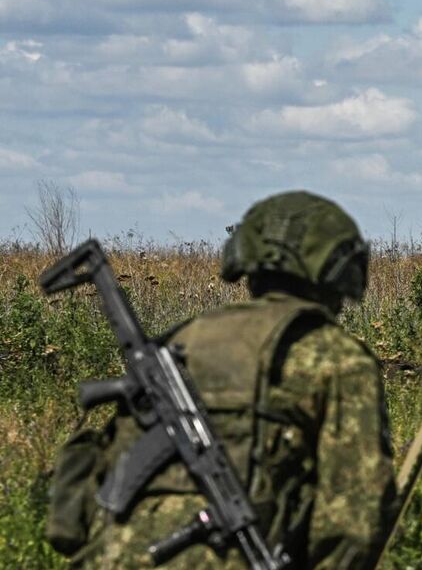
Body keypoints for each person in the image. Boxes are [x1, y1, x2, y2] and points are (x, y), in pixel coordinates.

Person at [49, 192, 395, 569]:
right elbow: (354, 521)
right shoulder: (336, 358)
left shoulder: (185, 338)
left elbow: (81, 506)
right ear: (335, 269)